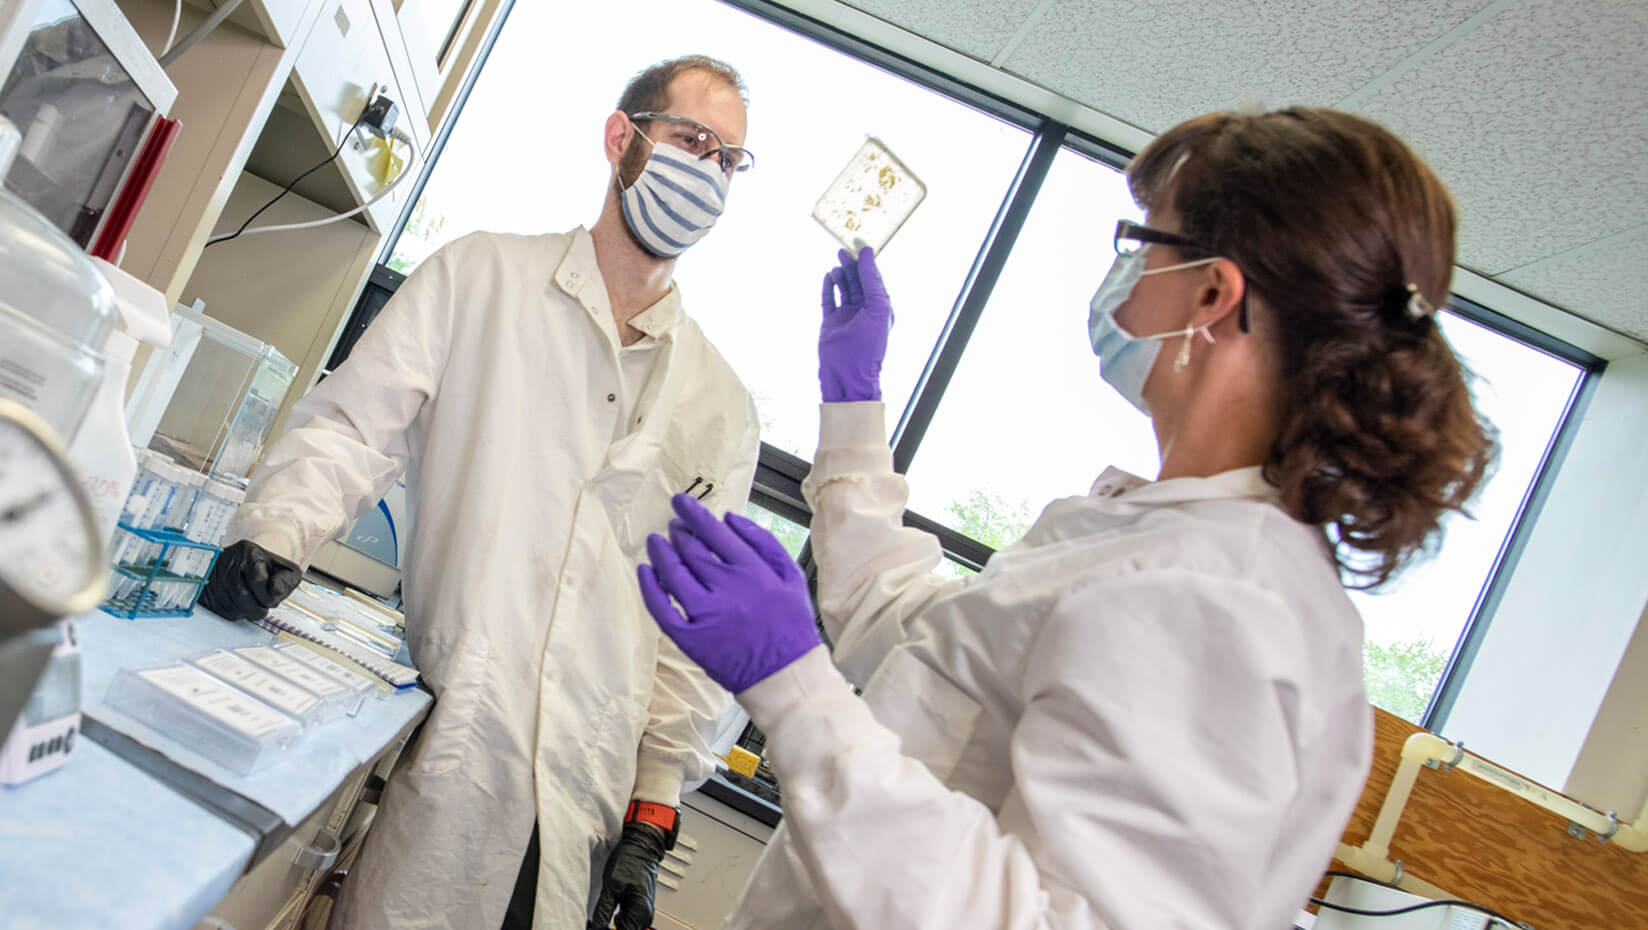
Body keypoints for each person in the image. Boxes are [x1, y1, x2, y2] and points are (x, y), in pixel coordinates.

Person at [635, 107, 1497, 929]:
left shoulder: (1221, 601)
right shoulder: (1162, 544)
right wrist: (854, 404)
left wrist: (793, 688)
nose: (1122, 276)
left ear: (1213, 296)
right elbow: (912, 639)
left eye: (1142, 240)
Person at [200, 56, 763, 930]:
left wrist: (655, 808)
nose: (711, 173)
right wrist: (277, 529)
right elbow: (356, 428)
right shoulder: (482, 279)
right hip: (454, 748)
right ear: (625, 139)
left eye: (730, 161)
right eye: (695, 141)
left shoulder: (721, 407)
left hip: (588, 802)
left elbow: (698, 629)